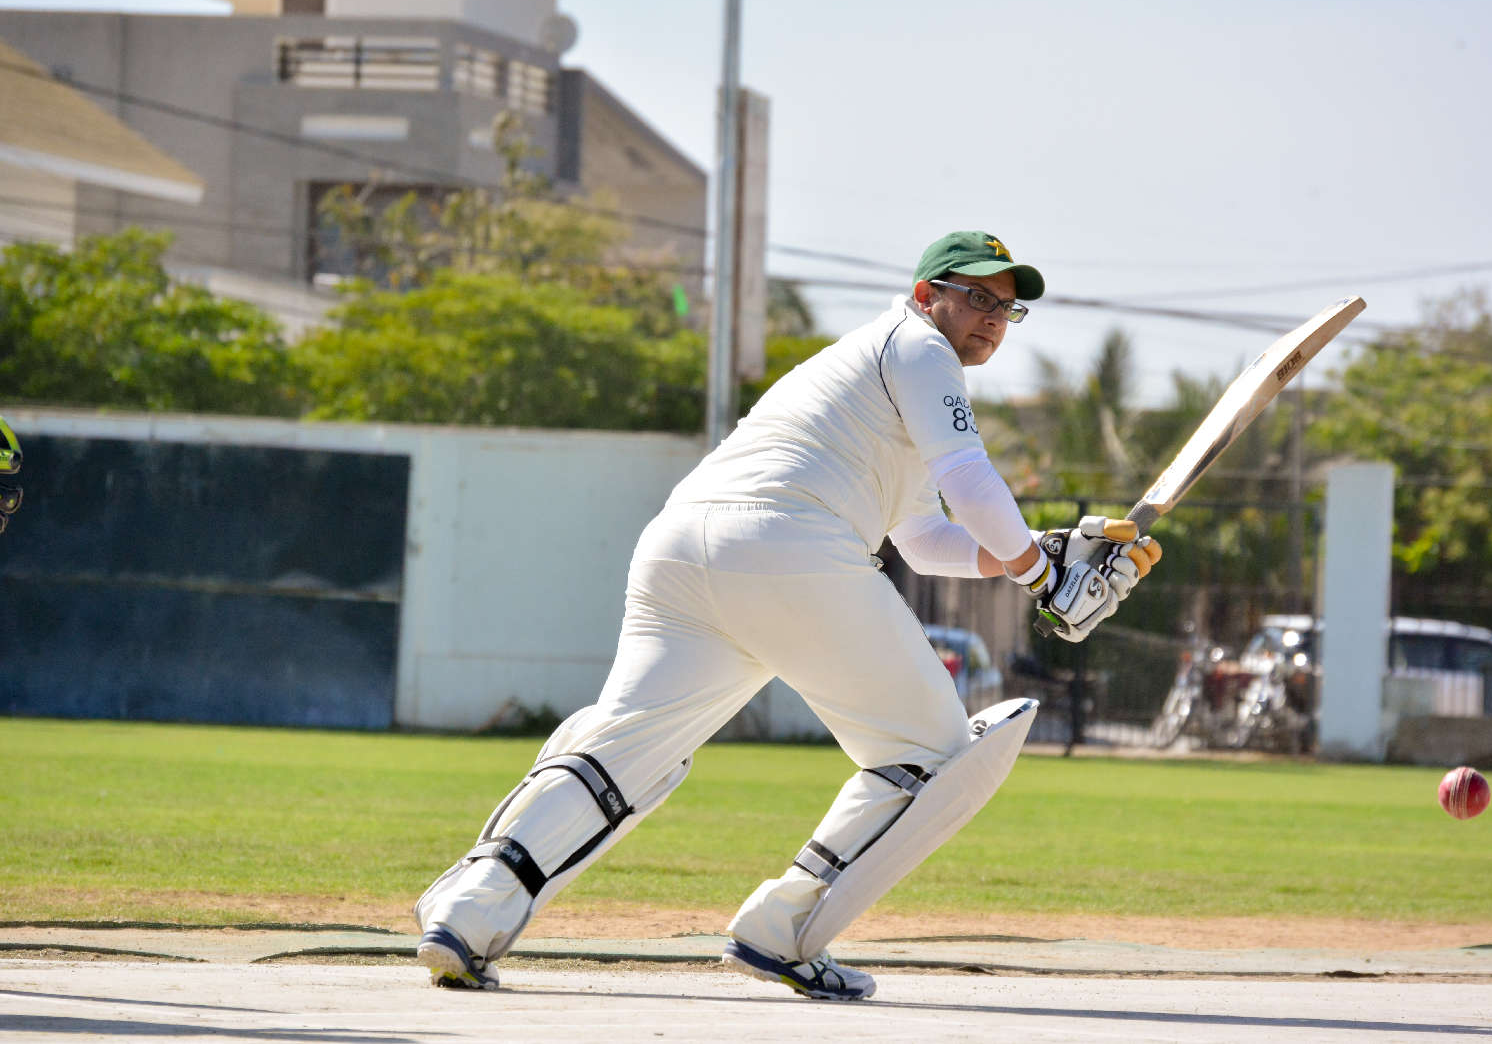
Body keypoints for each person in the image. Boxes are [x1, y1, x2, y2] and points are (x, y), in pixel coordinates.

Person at [411, 231, 1162, 998]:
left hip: (683, 547)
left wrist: (1040, 551)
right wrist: (1046, 578)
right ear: (925, 294)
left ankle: (469, 911)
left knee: (629, 744)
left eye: (1007, 307)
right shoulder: (921, 349)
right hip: (787, 545)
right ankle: (783, 930)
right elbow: (971, 480)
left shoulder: (871, 368)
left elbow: (926, 538)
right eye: (977, 297)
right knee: (934, 751)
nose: (993, 318)